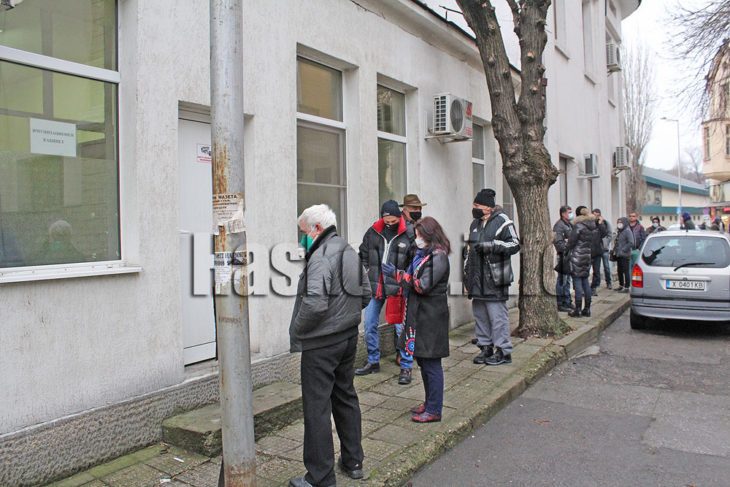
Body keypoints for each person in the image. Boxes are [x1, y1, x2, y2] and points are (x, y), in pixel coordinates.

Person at [288, 204, 371, 487]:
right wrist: (346, 316)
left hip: (321, 344)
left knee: (317, 408)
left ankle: (320, 476)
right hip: (347, 338)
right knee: (345, 396)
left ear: (317, 228)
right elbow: (366, 294)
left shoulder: (321, 256)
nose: (302, 239)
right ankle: (353, 461)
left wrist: (297, 329)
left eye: (303, 233)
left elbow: (314, 304)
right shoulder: (348, 250)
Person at [382, 217, 450, 423]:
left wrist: (399, 275)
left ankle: (434, 409)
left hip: (431, 317)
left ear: (430, 235)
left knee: (431, 363)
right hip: (421, 314)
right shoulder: (424, 255)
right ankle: (429, 403)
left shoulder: (439, 257)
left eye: (420, 235)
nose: (417, 238)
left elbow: (423, 285)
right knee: (423, 361)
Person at [356, 200, 415, 385]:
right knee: (369, 323)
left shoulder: (409, 233)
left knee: (401, 328)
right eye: (386, 221)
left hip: (398, 287)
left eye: (393, 221)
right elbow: (363, 253)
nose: (390, 224)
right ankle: (373, 361)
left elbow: (413, 261)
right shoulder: (373, 231)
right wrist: (365, 269)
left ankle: (406, 365)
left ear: (399, 217)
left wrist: (404, 278)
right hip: (376, 285)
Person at [464, 188, 520, 366]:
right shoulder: (475, 224)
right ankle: (485, 347)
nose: (474, 208)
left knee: (497, 317)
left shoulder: (503, 221)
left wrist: (491, 245)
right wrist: (467, 275)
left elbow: (514, 244)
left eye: (477, 205)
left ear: (488, 207)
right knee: (480, 315)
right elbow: (470, 251)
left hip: (495, 278)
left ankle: (503, 351)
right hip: (477, 278)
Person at [566, 207, 597, 317]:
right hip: (587, 256)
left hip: (577, 256)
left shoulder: (578, 226)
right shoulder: (592, 227)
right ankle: (587, 308)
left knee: (577, 282)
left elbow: (571, 242)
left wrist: (567, 246)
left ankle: (578, 309)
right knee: (585, 281)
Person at [553, 205, 574, 312]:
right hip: (563, 255)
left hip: (570, 255)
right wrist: (568, 244)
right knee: (562, 280)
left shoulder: (569, 224)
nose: (571, 214)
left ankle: (567, 300)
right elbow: (558, 243)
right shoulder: (559, 226)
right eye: (569, 212)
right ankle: (560, 302)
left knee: (568, 280)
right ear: (563, 214)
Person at [591, 208, 612, 291]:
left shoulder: (605, 223)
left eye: (596, 215)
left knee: (606, 266)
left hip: (604, 248)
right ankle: (597, 283)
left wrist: (605, 244)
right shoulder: (592, 224)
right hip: (596, 249)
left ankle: (609, 282)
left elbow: (608, 234)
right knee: (596, 268)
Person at [589, 209, 608, 297]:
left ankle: (594, 287)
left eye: (597, 215)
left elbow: (604, 233)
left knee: (596, 272)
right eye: (594, 215)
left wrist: (600, 224)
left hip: (597, 251)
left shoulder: (600, 225)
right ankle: (585, 288)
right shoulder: (588, 224)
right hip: (588, 252)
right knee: (585, 271)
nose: (595, 217)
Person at [614, 217, 634, 293]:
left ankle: (627, 286)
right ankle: (621, 285)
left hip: (625, 254)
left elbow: (631, 242)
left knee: (626, 271)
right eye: (618, 222)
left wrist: (623, 249)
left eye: (621, 222)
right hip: (619, 254)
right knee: (619, 270)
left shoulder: (627, 231)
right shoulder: (619, 231)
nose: (619, 224)